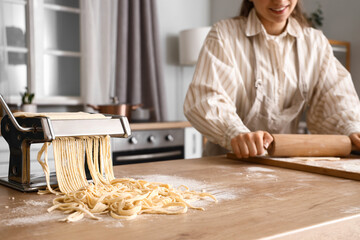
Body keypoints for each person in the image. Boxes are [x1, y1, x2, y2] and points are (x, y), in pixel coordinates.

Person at [183, 0, 360, 158]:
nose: (279, 1)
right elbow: (207, 99)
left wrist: (350, 129)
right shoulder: (224, 35)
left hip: (287, 169)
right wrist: (234, 132)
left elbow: (335, 98)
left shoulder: (315, 44)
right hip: (226, 165)